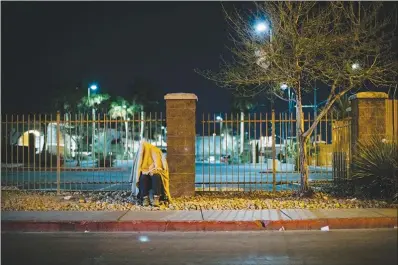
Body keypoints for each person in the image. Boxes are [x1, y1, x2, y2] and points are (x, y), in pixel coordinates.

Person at [130, 141, 171, 207]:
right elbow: (140, 168)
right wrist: (146, 171)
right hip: (145, 172)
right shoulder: (142, 156)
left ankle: (156, 198)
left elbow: (160, 167)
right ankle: (145, 198)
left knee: (156, 176)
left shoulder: (155, 151)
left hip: (155, 172)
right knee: (143, 177)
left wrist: (154, 170)